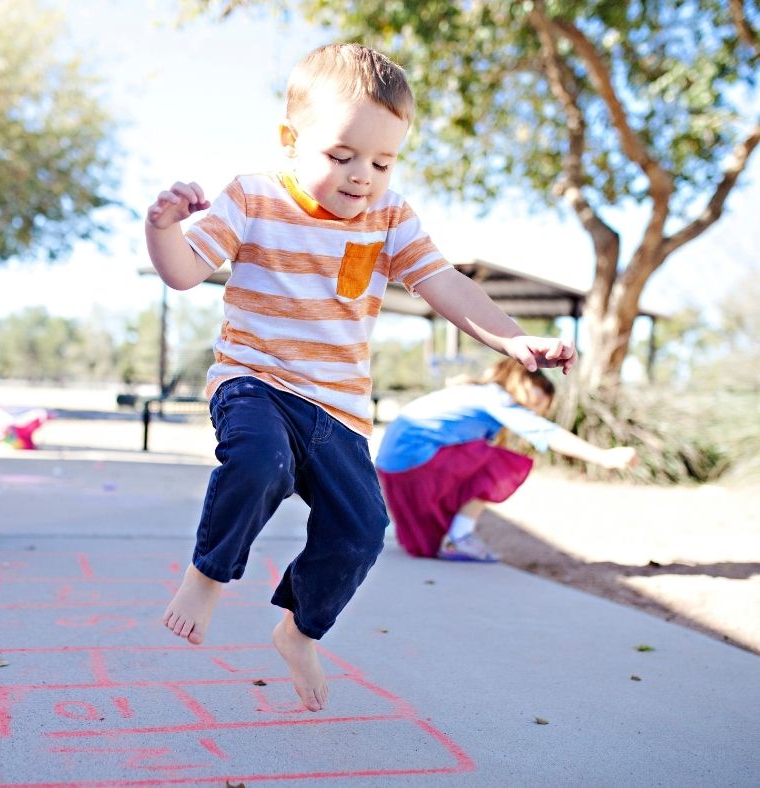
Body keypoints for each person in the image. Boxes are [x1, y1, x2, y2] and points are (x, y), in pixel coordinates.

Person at [144, 42, 575, 713]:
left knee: (363, 529)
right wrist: (163, 228)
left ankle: (299, 628)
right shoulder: (253, 196)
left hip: (337, 413)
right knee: (258, 461)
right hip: (254, 381)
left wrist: (515, 339)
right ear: (291, 141)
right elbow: (183, 270)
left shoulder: (389, 216)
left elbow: (447, 285)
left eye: (382, 161)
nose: (361, 177)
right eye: (341, 156)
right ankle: (208, 572)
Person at [375, 358, 639, 562]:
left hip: (394, 468)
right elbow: (545, 432)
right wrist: (602, 456)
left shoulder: (473, 392)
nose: (530, 412)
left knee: (426, 546)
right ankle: (461, 537)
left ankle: (453, 536)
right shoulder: (496, 396)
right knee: (501, 464)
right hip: (416, 462)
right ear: (521, 381)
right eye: (533, 404)